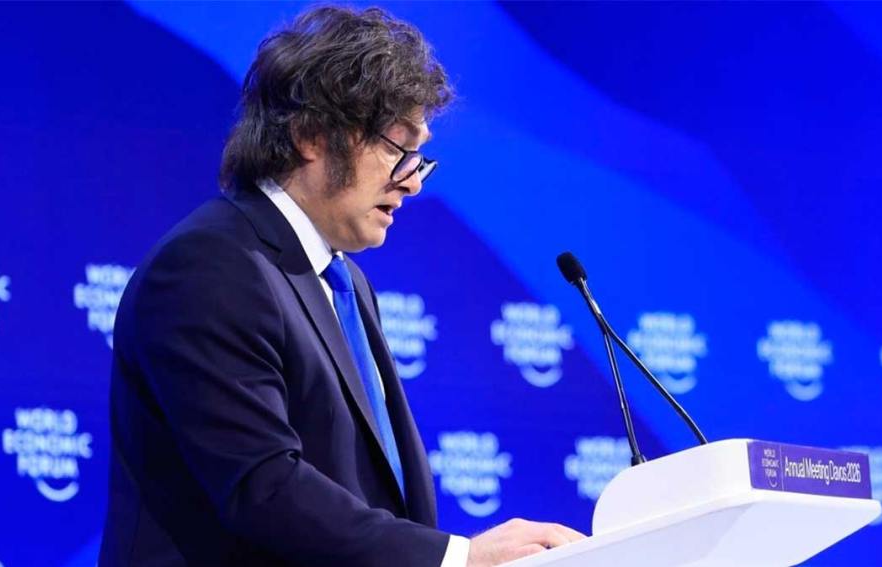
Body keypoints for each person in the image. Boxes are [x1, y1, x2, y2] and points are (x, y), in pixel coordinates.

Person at [98, 6, 584, 567]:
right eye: (397, 149)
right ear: (311, 136)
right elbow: (264, 487)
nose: (412, 182)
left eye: (419, 157)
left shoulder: (344, 280)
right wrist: (457, 558)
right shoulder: (210, 265)